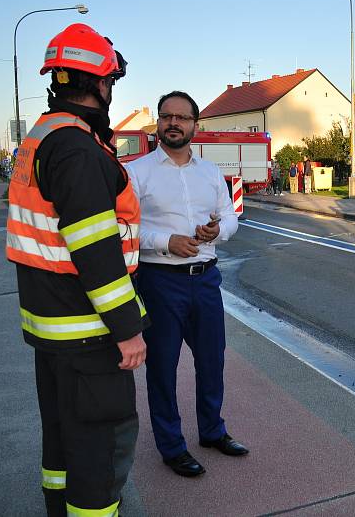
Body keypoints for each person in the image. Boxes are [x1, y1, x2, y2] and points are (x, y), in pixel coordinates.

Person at [5, 23, 147, 516]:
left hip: (53, 327)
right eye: (110, 83)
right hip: (88, 332)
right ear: (98, 84)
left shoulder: (44, 135)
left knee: (63, 438)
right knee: (98, 449)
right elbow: (94, 250)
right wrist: (127, 331)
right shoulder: (77, 147)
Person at [127, 91, 249, 478]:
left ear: (196, 125)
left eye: (183, 117)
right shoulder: (136, 172)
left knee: (212, 360)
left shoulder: (210, 172)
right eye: (167, 116)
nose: (174, 123)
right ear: (158, 124)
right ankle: (172, 446)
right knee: (163, 367)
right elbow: (123, 228)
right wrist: (167, 242)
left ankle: (212, 431)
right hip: (159, 281)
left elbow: (229, 217)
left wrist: (217, 231)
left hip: (206, 279)